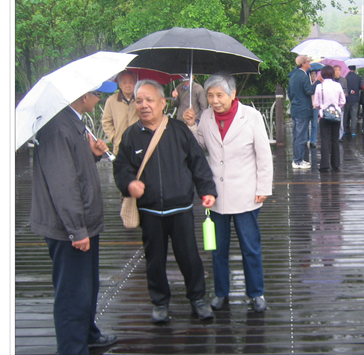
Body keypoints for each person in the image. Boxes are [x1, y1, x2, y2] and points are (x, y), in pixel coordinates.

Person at [30, 81, 119, 355]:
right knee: (72, 291)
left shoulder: (74, 122)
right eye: (97, 94)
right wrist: (77, 230)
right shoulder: (58, 128)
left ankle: (88, 334)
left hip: (83, 224)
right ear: (84, 95)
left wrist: (93, 153)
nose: (99, 99)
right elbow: (63, 185)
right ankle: (72, 353)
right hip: (68, 228)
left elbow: (76, 167)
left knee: (87, 285)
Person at [113, 80, 217, 324]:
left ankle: (197, 298)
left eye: (149, 100)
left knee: (189, 256)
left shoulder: (179, 130)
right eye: (139, 101)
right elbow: (121, 168)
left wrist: (207, 189)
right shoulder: (131, 135)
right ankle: (159, 302)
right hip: (149, 210)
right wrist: (129, 184)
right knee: (154, 259)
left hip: (180, 208)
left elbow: (198, 162)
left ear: (162, 103)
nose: (144, 105)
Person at [183, 73, 273, 313]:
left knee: (250, 247)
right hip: (216, 196)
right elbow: (200, 147)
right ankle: (221, 292)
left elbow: (264, 154)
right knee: (217, 248)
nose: (214, 100)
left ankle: (256, 293)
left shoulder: (251, 116)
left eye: (219, 95)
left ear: (233, 94)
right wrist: (192, 125)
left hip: (246, 194)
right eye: (210, 95)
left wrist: (263, 187)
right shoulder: (207, 118)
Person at [313, 65, 346, 172]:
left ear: (322, 74)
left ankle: (324, 165)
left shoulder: (319, 87)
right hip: (336, 114)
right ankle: (336, 164)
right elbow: (343, 101)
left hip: (324, 115)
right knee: (335, 139)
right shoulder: (338, 85)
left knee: (325, 140)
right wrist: (337, 107)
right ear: (332, 74)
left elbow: (315, 103)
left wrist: (322, 107)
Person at [287, 55, 316, 169]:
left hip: (295, 108)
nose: (310, 63)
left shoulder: (293, 76)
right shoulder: (304, 76)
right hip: (303, 110)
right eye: (308, 61)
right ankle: (298, 161)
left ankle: (298, 159)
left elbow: (289, 92)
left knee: (296, 135)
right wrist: (317, 82)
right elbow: (309, 91)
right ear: (303, 63)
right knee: (301, 136)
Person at [101, 70, 139, 155]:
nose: (128, 85)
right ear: (120, 85)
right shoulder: (111, 100)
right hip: (119, 145)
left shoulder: (140, 99)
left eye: (131, 82)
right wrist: (113, 137)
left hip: (138, 144)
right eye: (124, 82)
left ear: (135, 83)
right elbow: (106, 121)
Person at [344, 65, 362, 136]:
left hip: (347, 99)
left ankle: (344, 130)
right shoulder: (358, 77)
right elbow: (360, 87)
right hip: (355, 99)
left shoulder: (346, 77)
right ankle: (353, 132)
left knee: (345, 115)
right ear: (355, 70)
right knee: (354, 116)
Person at [308, 69, 322, 148]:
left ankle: (313, 140)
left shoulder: (318, 84)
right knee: (306, 123)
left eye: (314, 74)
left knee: (314, 123)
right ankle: (306, 139)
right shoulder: (308, 83)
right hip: (308, 105)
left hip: (315, 106)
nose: (313, 75)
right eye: (312, 74)